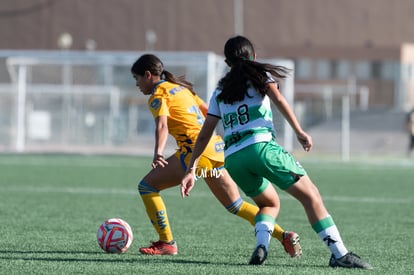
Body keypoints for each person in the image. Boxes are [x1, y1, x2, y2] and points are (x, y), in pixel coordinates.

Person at [181, 36, 372, 269]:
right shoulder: (259, 76)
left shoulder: (220, 91)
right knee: (311, 196)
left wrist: (191, 169)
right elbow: (279, 99)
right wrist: (300, 131)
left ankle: (262, 245)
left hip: (233, 160)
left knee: (269, 204)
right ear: (253, 57)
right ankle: (339, 254)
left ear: (227, 62)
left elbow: (204, 134)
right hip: (261, 148)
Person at [131, 54, 302, 257]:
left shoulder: (158, 95)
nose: (137, 84)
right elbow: (208, 111)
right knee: (236, 205)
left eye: (137, 79)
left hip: (195, 153)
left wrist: (158, 152)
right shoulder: (182, 89)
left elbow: (162, 125)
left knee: (147, 187)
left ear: (148, 75)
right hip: (216, 150)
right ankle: (284, 236)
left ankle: (167, 242)